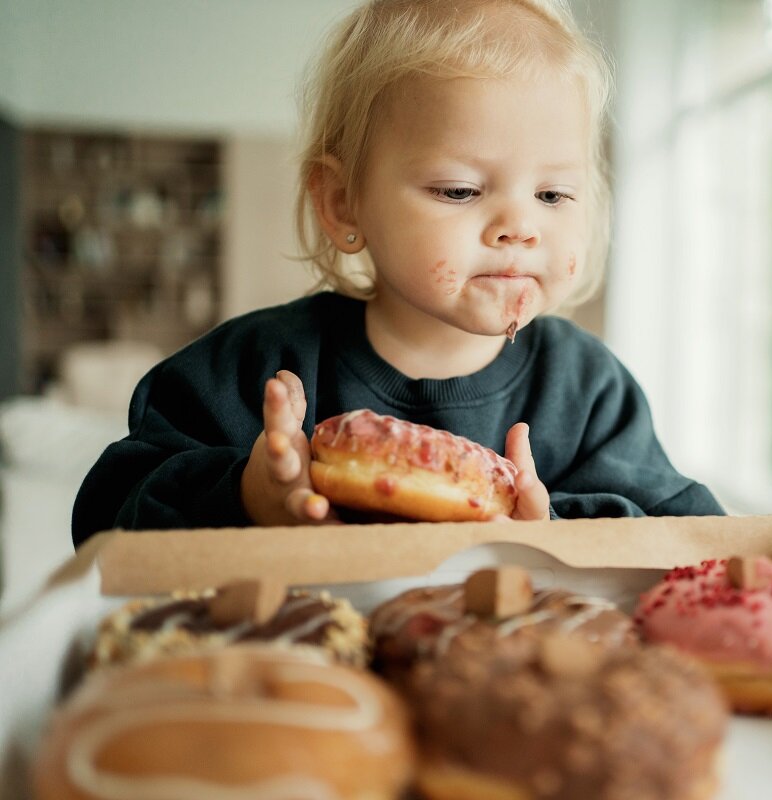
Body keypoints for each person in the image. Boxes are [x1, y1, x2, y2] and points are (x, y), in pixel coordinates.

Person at [71, 0, 724, 547]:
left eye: (553, 195)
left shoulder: (587, 391)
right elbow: (101, 519)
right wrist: (247, 496)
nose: (520, 226)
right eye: (460, 190)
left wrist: (551, 533)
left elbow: (691, 538)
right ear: (342, 202)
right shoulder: (261, 368)